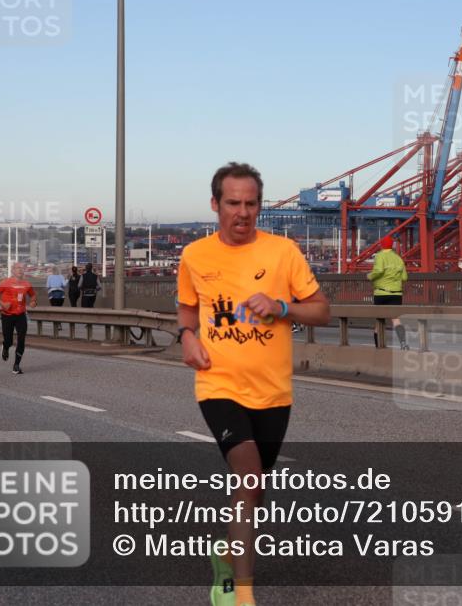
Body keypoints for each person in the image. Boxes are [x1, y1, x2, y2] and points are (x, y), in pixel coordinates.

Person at [177, 162, 330, 606]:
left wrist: (283, 306)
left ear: (259, 206)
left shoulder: (283, 252)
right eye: (232, 203)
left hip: (273, 391)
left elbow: (321, 310)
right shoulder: (195, 256)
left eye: (250, 204)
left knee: (256, 488)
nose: (242, 213)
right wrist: (187, 337)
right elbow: (187, 309)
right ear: (215, 205)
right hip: (217, 384)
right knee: (248, 475)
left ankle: (226, 556)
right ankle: (241, 594)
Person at [0, 261, 37, 375]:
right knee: (9, 340)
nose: (20, 270)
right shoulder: (5, 282)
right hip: (7, 315)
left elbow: (33, 295)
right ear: (12, 270)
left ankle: (16, 365)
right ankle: (5, 347)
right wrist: (2, 304)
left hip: (21, 315)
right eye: (17, 268)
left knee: (21, 338)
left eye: (22, 268)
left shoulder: (26, 284)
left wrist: (33, 301)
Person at [367, 235, 409, 350]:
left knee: (379, 320)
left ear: (382, 245)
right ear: (392, 245)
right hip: (396, 293)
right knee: (396, 319)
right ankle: (403, 343)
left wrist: (370, 276)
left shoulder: (380, 256)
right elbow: (405, 277)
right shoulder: (398, 258)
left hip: (381, 293)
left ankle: (378, 347)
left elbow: (379, 270)